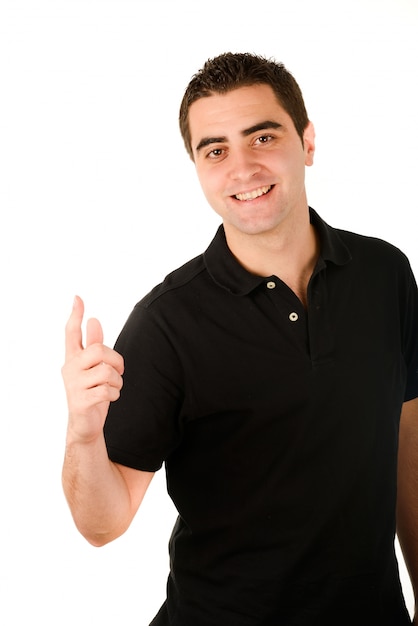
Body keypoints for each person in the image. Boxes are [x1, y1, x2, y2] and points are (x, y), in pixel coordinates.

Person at [61, 52, 418, 625]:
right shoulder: (167, 323)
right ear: (199, 168)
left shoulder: (385, 275)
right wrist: (83, 435)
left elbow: (409, 444)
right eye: (216, 150)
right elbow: (102, 525)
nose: (242, 168)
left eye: (263, 136)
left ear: (307, 142)